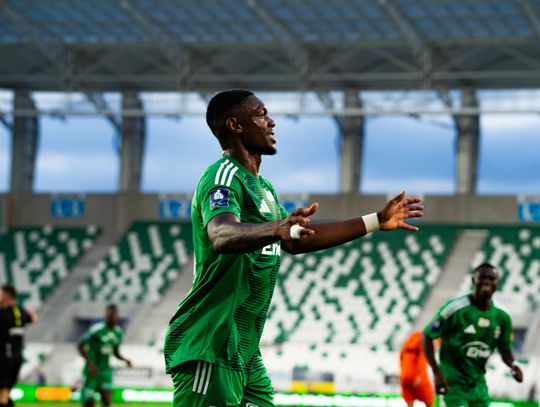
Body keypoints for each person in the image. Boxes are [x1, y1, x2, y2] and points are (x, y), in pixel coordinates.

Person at [164, 89, 424, 407]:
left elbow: (295, 240)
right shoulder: (222, 176)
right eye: (260, 114)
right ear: (235, 125)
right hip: (211, 343)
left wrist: (375, 221)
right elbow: (221, 234)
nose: (271, 122)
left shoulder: (265, 189)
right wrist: (276, 228)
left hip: (244, 350)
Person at [422, 263, 524, 407]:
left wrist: (513, 364)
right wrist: (437, 373)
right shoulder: (455, 309)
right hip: (452, 387)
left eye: (491, 278)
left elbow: (505, 349)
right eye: (482, 277)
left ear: (497, 283)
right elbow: (427, 336)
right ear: (473, 280)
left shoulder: (503, 317)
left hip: (478, 388)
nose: (486, 281)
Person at [77, 304, 132, 407]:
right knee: (89, 403)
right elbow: (80, 345)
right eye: (110, 314)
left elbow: (115, 352)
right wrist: (90, 364)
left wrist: (125, 360)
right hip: (92, 371)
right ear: (106, 315)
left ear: (117, 316)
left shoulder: (118, 332)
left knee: (106, 399)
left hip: (106, 370)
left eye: (114, 314)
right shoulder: (96, 329)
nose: (112, 316)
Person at [0, 285, 37, 407]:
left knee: (3, 391)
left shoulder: (3, 313)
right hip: (17, 356)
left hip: (5, 357)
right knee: (6, 391)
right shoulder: (20, 312)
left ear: (6, 295)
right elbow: (33, 319)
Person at [399, 331, 435, 407]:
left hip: (404, 375)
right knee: (429, 399)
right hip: (416, 375)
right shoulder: (427, 340)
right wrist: (420, 376)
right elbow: (422, 360)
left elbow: (401, 357)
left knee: (409, 399)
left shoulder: (412, 339)